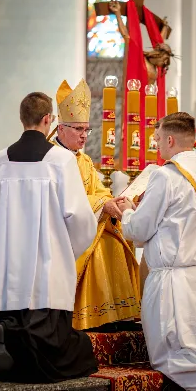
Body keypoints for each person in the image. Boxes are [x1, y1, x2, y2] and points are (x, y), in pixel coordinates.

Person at [118, 112, 196, 391]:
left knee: (179, 359)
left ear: (171, 139)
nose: (156, 144)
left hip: (174, 287)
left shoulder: (166, 176)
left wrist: (127, 211)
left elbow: (138, 231)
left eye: (158, 138)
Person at [0, 92, 98, 382]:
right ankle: (24, 348)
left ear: (22, 119)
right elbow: (80, 218)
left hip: (10, 272)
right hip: (48, 271)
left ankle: (7, 335)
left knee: (15, 316)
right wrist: (66, 251)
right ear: (49, 120)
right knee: (75, 352)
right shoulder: (60, 160)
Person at [48, 79, 140, 331]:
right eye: (78, 129)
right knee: (101, 246)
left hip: (90, 221)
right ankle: (92, 316)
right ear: (61, 127)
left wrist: (112, 201)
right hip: (63, 229)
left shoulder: (84, 160)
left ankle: (115, 314)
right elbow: (63, 200)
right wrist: (103, 204)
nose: (83, 135)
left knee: (119, 240)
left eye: (86, 130)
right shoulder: (51, 159)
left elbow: (97, 191)